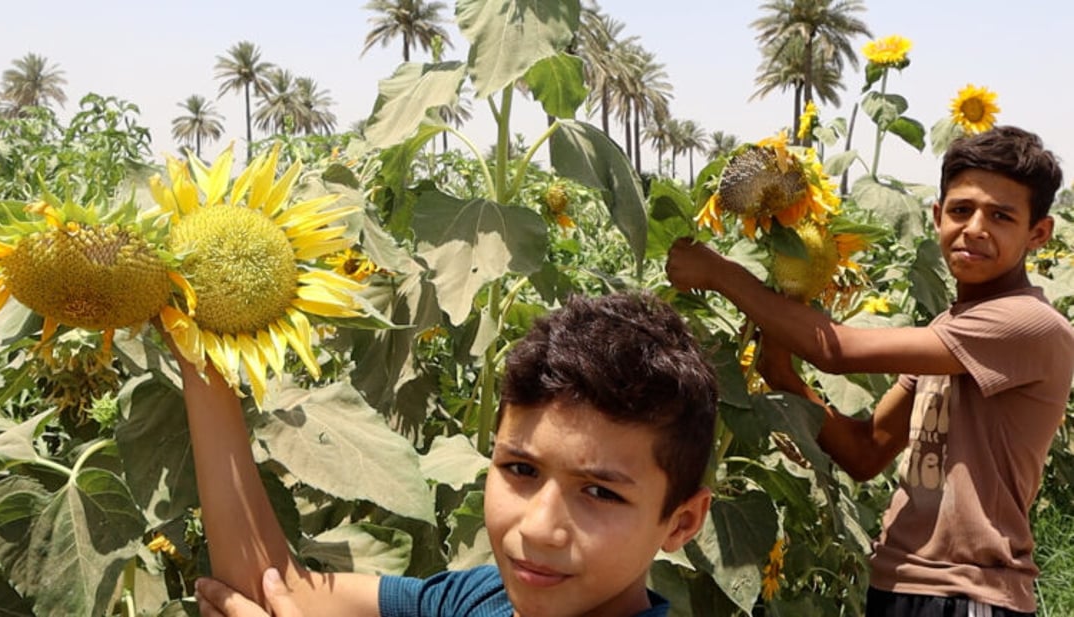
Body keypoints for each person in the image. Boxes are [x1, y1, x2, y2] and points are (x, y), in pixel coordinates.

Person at [666, 125, 1073, 616]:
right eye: (962, 210)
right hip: (898, 583)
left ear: (1038, 234)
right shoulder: (946, 331)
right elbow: (865, 452)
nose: (975, 228)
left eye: (1001, 216)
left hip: (968, 593)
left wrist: (719, 272)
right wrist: (783, 373)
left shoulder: (1028, 324)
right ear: (938, 216)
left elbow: (837, 351)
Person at [179, 292, 719, 616]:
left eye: (600, 492)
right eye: (521, 469)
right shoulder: (482, 600)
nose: (538, 528)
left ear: (681, 521)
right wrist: (199, 350)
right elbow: (281, 590)